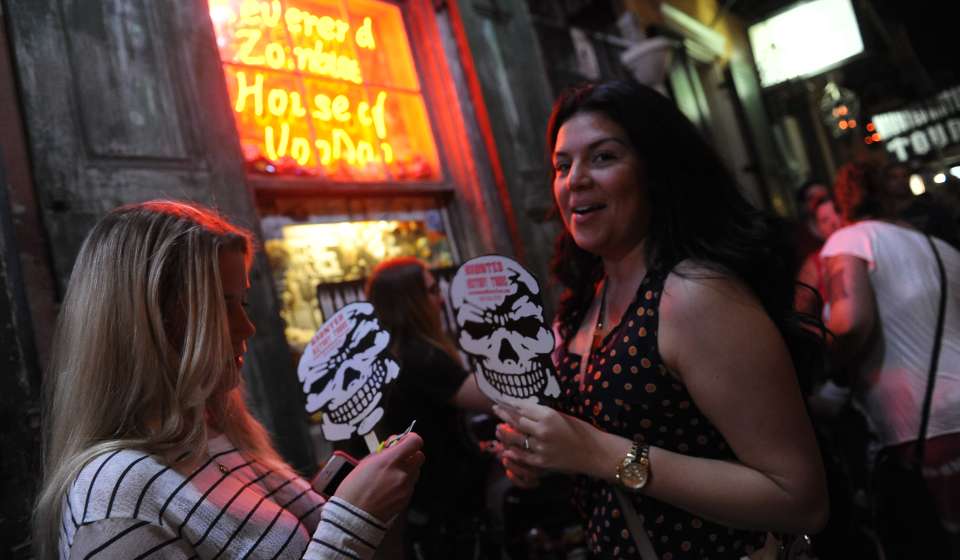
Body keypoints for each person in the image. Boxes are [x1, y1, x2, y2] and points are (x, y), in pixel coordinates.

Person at [493, 80, 828, 559]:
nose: (575, 180)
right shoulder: (588, 301)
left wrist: (595, 452)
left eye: (603, 157)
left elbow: (800, 499)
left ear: (654, 170)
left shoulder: (695, 296)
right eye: (562, 166)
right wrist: (548, 456)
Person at [34, 200, 425, 559]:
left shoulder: (213, 431)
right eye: (221, 305)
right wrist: (352, 522)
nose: (247, 327)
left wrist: (355, 503)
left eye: (244, 302)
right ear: (149, 320)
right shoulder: (115, 500)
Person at [822, 162, 960, 557]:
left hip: (925, 427)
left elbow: (850, 324)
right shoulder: (943, 249)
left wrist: (829, 367)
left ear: (846, 195)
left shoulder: (849, 241)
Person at [365, 257, 496, 558]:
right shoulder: (418, 357)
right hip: (445, 513)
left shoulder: (392, 357)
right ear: (410, 300)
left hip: (426, 508)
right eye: (433, 290)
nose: (441, 298)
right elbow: (493, 397)